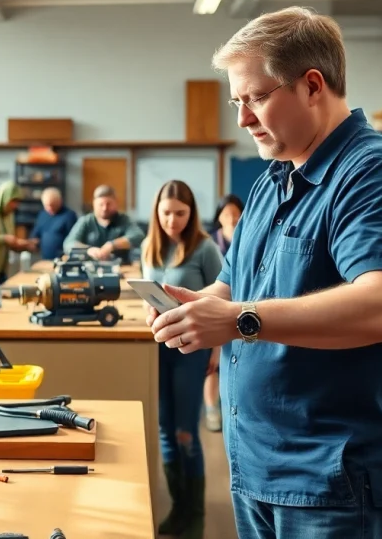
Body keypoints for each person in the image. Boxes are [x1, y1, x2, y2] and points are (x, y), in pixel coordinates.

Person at [148, 6, 382, 539]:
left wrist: (237, 321)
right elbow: (234, 285)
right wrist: (194, 306)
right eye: (238, 102)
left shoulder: (375, 176)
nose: (242, 118)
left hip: (332, 481)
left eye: (256, 97)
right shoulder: (273, 180)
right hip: (257, 467)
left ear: (312, 86)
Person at [140, 180, 222, 539]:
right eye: (166, 213)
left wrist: (217, 350)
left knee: (186, 430)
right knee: (164, 428)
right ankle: (178, 508)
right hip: (158, 347)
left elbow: (224, 303)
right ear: (156, 213)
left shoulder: (204, 248)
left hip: (192, 348)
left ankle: (196, 517)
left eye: (180, 213)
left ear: (191, 214)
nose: (172, 220)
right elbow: (149, 294)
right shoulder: (149, 248)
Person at [203, 193, 245, 433]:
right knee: (213, 365)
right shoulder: (211, 243)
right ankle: (211, 409)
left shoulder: (247, 235)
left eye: (235, 213)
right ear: (219, 216)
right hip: (216, 303)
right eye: (226, 213)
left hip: (242, 308)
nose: (231, 218)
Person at [63, 185, 144, 262]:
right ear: (94, 204)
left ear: (116, 203)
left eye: (109, 204)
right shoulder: (86, 221)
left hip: (120, 268)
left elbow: (138, 236)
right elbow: (69, 243)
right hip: (90, 268)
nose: (105, 208)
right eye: (101, 204)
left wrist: (112, 245)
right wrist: (88, 249)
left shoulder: (124, 220)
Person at [30, 187, 77, 260]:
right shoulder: (42, 214)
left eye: (52, 205)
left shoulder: (69, 216)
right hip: (44, 258)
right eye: (46, 205)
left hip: (63, 259)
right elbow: (36, 234)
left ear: (60, 201)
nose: (49, 208)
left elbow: (73, 239)